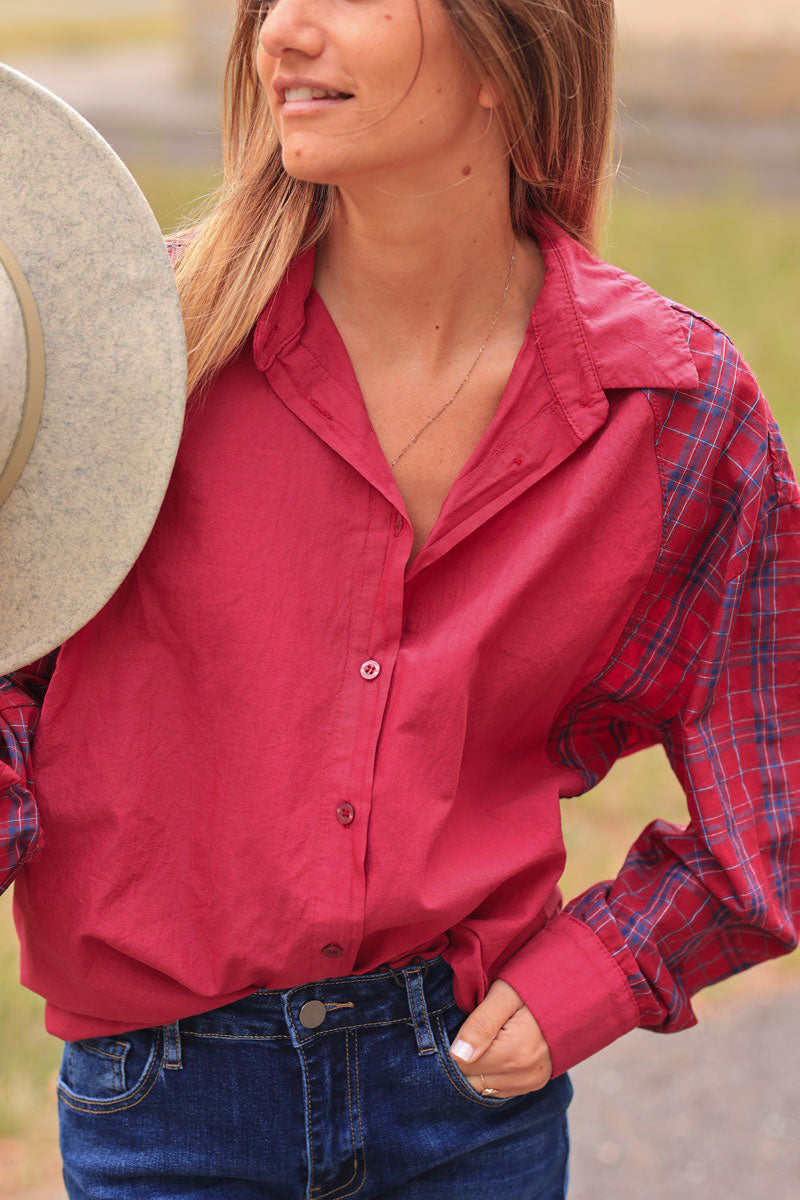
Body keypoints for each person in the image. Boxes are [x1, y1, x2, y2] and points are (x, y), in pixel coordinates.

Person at [2, 0, 798, 1196]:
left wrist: (590, 978)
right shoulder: (131, 356)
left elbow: (772, 793)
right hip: (162, 1110)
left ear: (507, 46)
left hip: (464, 1105)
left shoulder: (671, 413)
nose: (280, 33)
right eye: (269, 0)